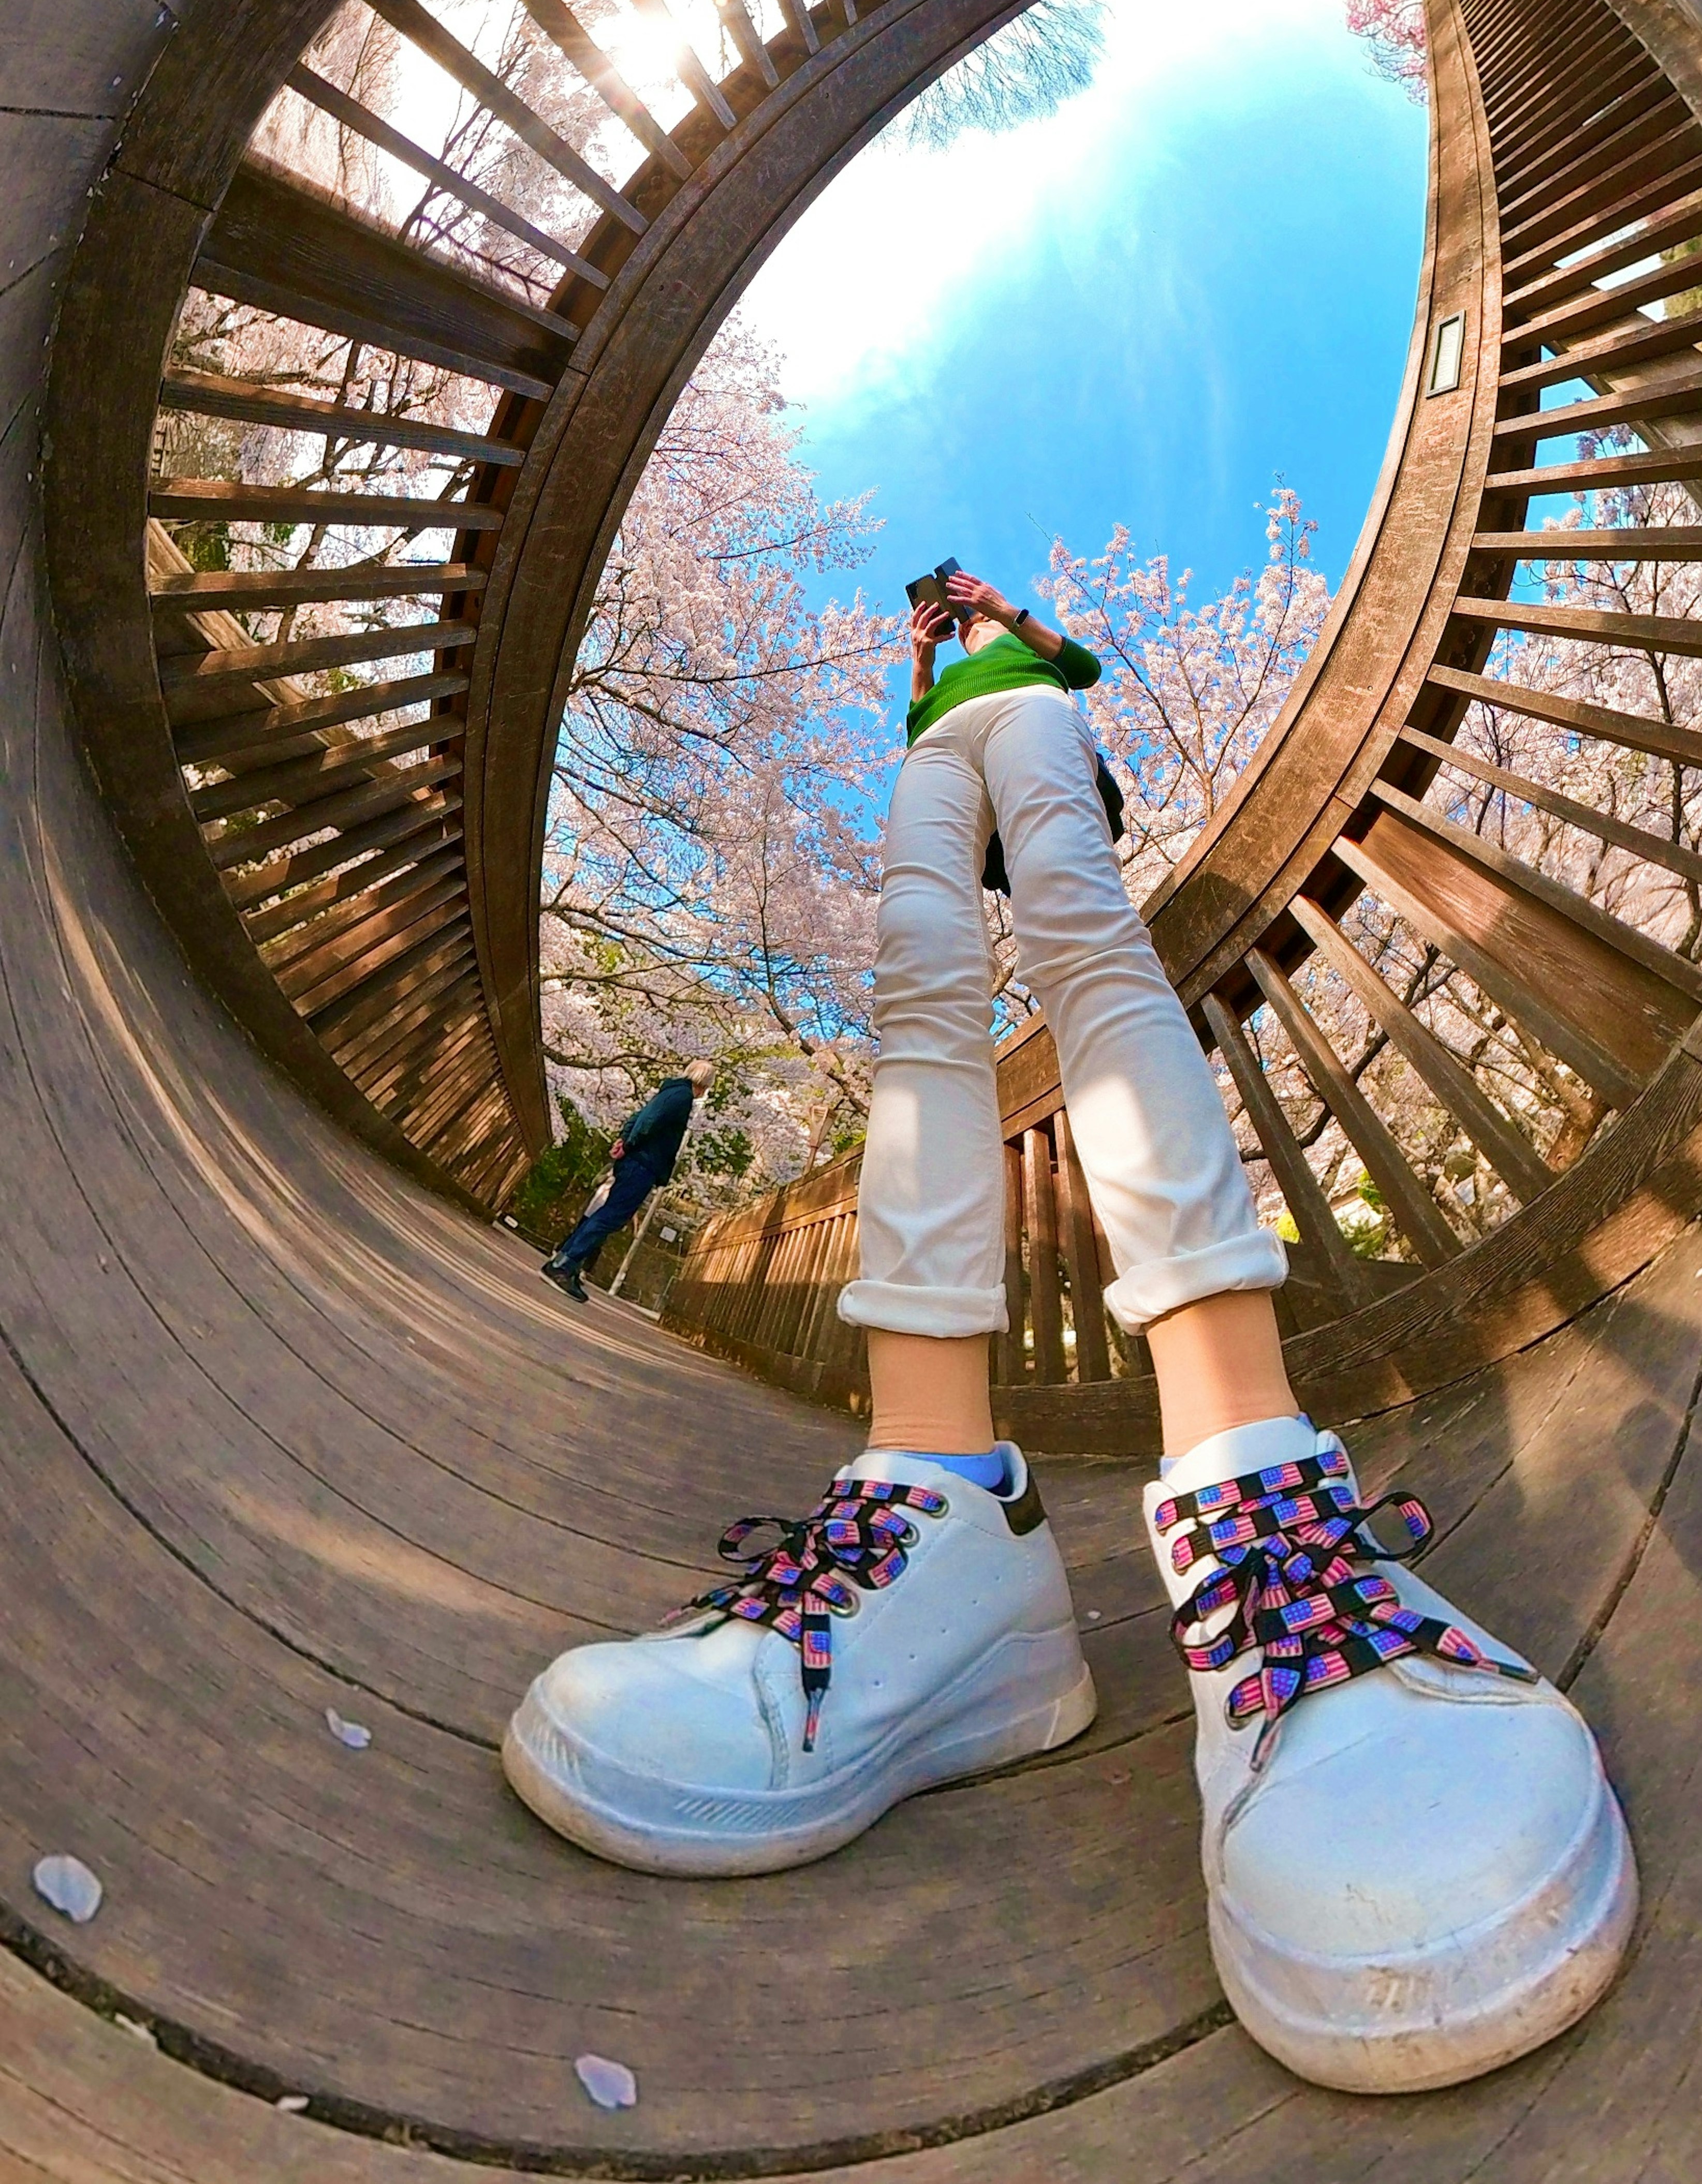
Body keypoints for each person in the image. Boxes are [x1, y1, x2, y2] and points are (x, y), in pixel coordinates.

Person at [504, 570, 1636, 2093]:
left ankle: (1250, 1481)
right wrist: (925, 664)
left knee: (1085, 936)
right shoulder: (921, 705)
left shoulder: (1026, 662)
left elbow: (1069, 654)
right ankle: (935, 1505)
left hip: (1032, 741)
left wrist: (996, 624)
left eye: (949, 606)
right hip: (932, 767)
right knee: (913, 999)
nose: (946, 613)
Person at [538, 1061, 713, 1301]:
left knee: (607, 1215)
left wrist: (623, 1140)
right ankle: (564, 1266)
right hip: (642, 1165)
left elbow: (638, 1117)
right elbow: (649, 1122)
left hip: (635, 1162)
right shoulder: (682, 1097)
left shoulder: (669, 1092)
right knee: (610, 1217)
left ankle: (566, 1262)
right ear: (703, 1084)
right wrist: (630, 1145)